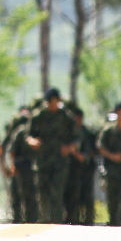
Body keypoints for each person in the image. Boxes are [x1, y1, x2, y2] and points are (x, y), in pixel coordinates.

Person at [26, 87, 80, 223]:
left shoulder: (66, 117)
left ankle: (56, 222)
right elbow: (28, 135)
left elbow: (77, 138)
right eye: (51, 102)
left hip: (60, 162)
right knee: (42, 194)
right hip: (42, 161)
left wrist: (69, 147)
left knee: (56, 194)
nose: (53, 104)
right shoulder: (39, 116)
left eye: (56, 101)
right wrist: (33, 141)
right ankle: (43, 221)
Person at [2, 108, 38, 223]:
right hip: (22, 168)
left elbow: (10, 151)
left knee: (26, 197)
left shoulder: (26, 132)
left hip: (27, 168)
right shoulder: (21, 132)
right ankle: (23, 221)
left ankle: (27, 221)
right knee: (23, 197)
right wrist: (12, 165)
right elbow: (12, 151)